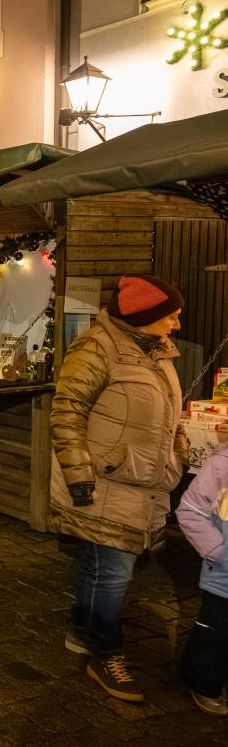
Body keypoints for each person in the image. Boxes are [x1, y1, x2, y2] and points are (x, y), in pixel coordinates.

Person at [51, 273, 186, 703]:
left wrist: (178, 451)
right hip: (103, 482)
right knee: (113, 573)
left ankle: (82, 631)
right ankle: (106, 654)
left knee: (100, 568)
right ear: (144, 315)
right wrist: (79, 479)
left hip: (142, 480)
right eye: (171, 316)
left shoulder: (157, 350)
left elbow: (169, 414)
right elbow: (67, 412)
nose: (177, 324)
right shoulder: (97, 348)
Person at [177, 444, 228, 716]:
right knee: (215, 631)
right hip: (224, 576)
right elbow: (190, 511)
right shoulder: (222, 465)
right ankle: (203, 683)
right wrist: (219, 552)